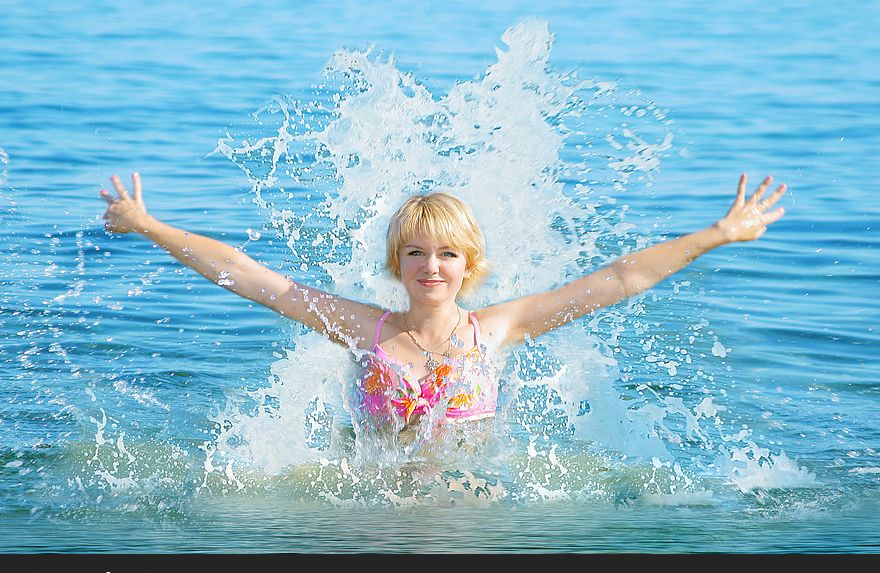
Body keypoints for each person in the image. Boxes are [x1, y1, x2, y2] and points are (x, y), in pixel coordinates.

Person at [100, 173, 787, 447]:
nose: (433, 266)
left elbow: (620, 277)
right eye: (416, 253)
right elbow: (249, 277)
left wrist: (718, 234)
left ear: (471, 265)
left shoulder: (498, 328)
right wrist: (150, 225)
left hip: (471, 512)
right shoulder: (361, 328)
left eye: (449, 254)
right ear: (396, 265)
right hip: (372, 508)